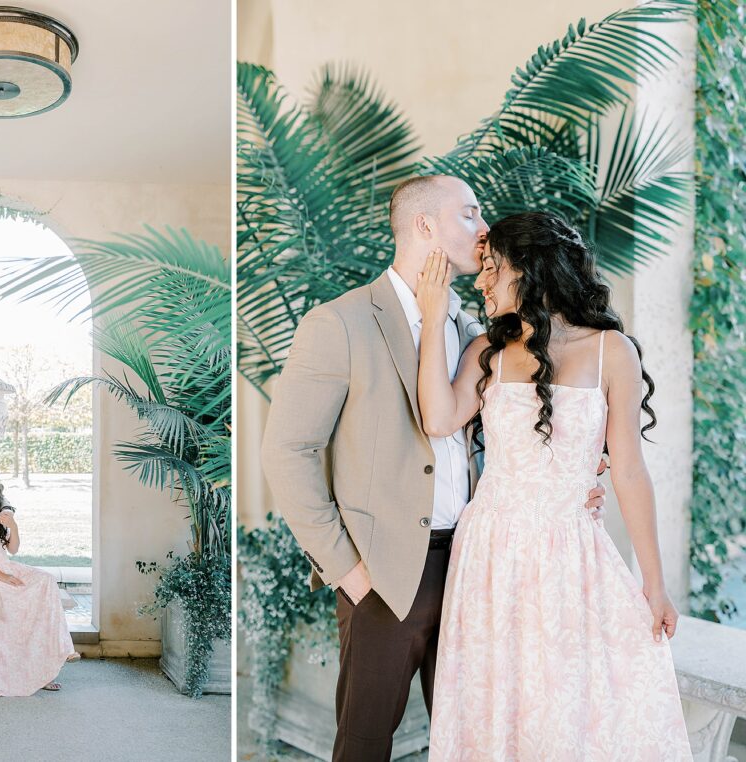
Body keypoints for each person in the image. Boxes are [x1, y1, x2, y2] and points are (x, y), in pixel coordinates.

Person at [260, 176, 606, 761]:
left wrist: (573, 482)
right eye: (469, 214)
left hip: (480, 567)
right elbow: (285, 453)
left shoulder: (479, 330)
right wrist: (350, 572)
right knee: (365, 743)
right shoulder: (340, 323)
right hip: (385, 574)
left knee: (475, 736)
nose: (484, 229)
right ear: (426, 227)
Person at [415, 211, 691, 760]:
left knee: (566, 708)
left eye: (491, 268)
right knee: (496, 708)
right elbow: (438, 419)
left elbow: (631, 471)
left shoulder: (614, 351)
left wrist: (654, 584)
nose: (480, 281)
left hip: (571, 557)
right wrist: (429, 320)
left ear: (528, 269)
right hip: (490, 553)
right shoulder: (488, 352)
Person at [0, 466, 80, 697]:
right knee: (18, 605)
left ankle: (56, 654)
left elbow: (13, 548)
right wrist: (1, 575)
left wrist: (12, 525)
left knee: (46, 582)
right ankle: (28, 671)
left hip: (6, 564)